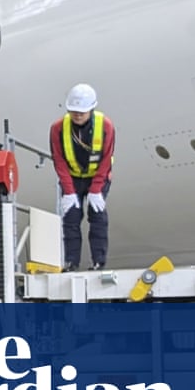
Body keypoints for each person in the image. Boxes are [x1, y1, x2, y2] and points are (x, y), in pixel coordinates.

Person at [49, 83, 115, 271]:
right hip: (73, 178)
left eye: (82, 112)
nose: (77, 115)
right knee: (71, 217)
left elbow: (106, 159)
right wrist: (69, 192)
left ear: (91, 109)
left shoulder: (106, 126)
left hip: (99, 177)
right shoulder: (58, 128)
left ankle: (98, 261)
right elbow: (59, 161)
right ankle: (71, 262)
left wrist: (96, 191)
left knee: (98, 216)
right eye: (74, 111)